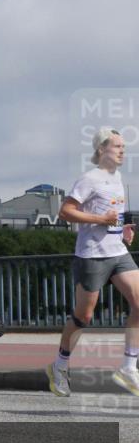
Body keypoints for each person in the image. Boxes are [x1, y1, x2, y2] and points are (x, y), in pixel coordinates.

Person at [46, 128, 139, 397]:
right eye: (117, 146)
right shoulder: (89, 179)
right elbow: (65, 212)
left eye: (124, 146)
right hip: (92, 256)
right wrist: (101, 220)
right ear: (101, 150)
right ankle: (59, 365)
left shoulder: (117, 178)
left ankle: (129, 367)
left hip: (118, 253)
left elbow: (110, 216)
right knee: (83, 317)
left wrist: (121, 229)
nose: (122, 151)